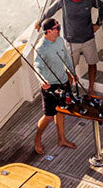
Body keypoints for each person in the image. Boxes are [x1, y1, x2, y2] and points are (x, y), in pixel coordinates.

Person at [36, 0, 103, 95]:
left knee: (92, 63)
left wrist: (98, 23)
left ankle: (90, 89)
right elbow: (49, 12)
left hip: (88, 39)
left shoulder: (89, 0)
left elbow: (102, 6)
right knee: (68, 68)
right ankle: (67, 91)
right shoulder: (63, 0)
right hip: (71, 42)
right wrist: (39, 22)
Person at [33, 18, 79, 155]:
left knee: (61, 110)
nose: (60, 30)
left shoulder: (59, 40)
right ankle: (37, 140)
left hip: (63, 81)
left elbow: (66, 57)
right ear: (48, 31)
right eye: (57, 28)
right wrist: (42, 81)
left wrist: (72, 72)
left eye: (59, 27)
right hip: (49, 86)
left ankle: (62, 139)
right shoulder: (41, 48)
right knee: (48, 116)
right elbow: (37, 67)